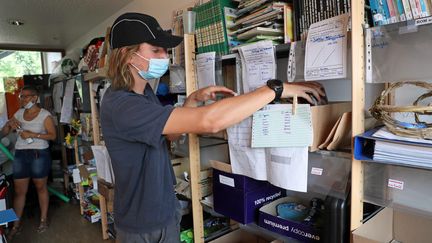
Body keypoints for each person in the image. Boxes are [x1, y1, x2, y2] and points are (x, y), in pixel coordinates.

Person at [101, 12, 325, 243]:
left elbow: (168, 135)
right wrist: (274, 90)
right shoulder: (122, 105)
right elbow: (211, 121)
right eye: (156, 50)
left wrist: (191, 102)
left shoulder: (144, 93)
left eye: (165, 50)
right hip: (142, 226)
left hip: (165, 213)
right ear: (128, 55)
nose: (164, 56)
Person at [2, 85, 57, 237]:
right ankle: (15, 225)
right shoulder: (19, 113)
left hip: (39, 154)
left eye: (26, 96)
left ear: (35, 97)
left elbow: (53, 136)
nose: (22, 99)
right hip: (20, 154)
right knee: (19, 191)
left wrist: (33, 134)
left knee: (41, 188)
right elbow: (3, 133)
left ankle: (43, 220)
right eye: (21, 96)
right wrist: (8, 125)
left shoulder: (44, 115)